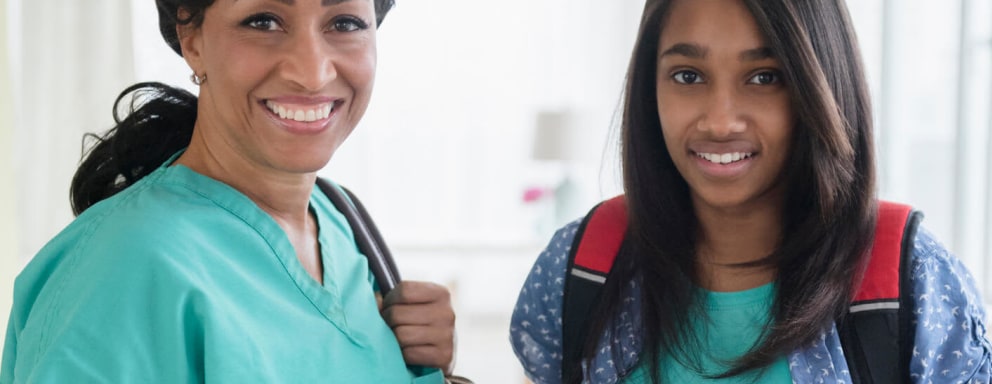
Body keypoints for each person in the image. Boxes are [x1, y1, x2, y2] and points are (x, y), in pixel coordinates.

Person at [509, 0, 992, 383]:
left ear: (820, 86)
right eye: (688, 76)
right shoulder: (583, 264)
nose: (720, 121)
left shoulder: (910, 277)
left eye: (765, 77)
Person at [1, 0, 460, 382]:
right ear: (192, 38)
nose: (313, 73)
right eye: (263, 21)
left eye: (344, 23)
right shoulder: (120, 271)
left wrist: (424, 364)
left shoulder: (342, 221)